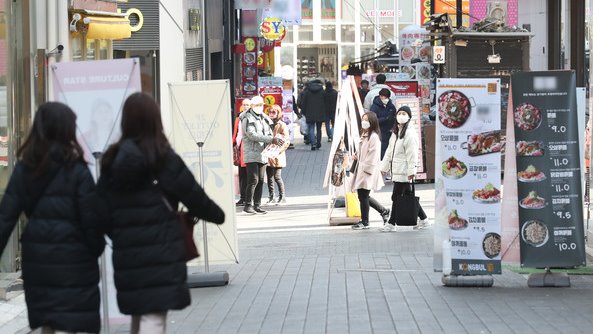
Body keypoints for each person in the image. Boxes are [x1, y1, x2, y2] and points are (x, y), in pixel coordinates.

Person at [97, 93, 225, 333]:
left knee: (140, 316)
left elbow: (100, 210)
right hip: (163, 249)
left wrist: (120, 234)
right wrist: (218, 215)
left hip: (127, 253)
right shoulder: (163, 157)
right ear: (155, 120)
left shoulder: (112, 160)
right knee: (154, 317)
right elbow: (194, 195)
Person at [0, 102, 104, 333]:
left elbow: (5, 218)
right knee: (70, 323)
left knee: (49, 323)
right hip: (75, 260)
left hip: (38, 260)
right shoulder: (78, 170)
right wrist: (94, 248)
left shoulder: (25, 168)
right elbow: (92, 221)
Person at [380, 106, 430, 232]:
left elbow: (412, 154)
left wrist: (412, 171)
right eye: (399, 113)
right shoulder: (396, 132)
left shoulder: (409, 133)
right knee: (407, 196)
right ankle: (424, 219)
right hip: (398, 170)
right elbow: (389, 151)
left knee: (396, 196)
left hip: (404, 171)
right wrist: (384, 167)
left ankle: (391, 223)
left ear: (408, 117)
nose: (401, 115)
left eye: (404, 113)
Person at [350, 112, 390, 230]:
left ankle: (365, 221)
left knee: (363, 196)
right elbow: (363, 151)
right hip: (363, 169)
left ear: (372, 122)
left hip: (367, 170)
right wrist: (357, 155)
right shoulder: (365, 134)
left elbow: (373, 155)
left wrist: (365, 168)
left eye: (366, 120)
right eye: (363, 119)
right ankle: (383, 211)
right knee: (363, 196)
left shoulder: (373, 137)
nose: (364, 122)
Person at [242, 95, 278, 214]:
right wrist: (270, 139)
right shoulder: (247, 117)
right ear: (252, 106)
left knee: (261, 179)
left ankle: (257, 205)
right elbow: (251, 135)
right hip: (251, 152)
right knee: (253, 179)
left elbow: (269, 132)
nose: (259, 107)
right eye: (257, 105)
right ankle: (248, 205)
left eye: (261, 105)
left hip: (263, 153)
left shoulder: (264, 117)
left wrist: (273, 139)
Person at [266, 104, 290, 204]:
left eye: (273, 112)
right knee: (269, 177)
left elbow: (286, 141)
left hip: (277, 155)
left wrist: (278, 151)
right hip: (268, 154)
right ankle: (272, 197)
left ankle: (282, 196)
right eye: (270, 112)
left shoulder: (282, 125)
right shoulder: (266, 123)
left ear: (278, 113)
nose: (271, 114)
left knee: (277, 176)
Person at [298, 79, 326, 150]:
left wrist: (303, 112)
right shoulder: (322, 91)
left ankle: (313, 144)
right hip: (320, 112)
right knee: (319, 129)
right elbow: (325, 102)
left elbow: (304, 103)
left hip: (309, 113)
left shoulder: (307, 92)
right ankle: (318, 143)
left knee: (311, 128)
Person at [370, 88, 397, 159]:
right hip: (379, 132)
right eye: (384, 97)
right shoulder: (374, 107)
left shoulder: (391, 105)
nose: (386, 99)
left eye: (387, 97)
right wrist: (385, 119)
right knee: (380, 151)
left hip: (389, 132)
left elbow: (394, 116)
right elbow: (373, 120)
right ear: (380, 96)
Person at [233, 98, 251, 206]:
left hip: (249, 148)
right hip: (241, 149)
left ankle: (249, 198)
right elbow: (235, 132)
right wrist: (234, 144)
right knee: (242, 174)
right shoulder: (238, 117)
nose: (246, 106)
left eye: (248, 104)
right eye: (244, 104)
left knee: (250, 175)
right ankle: (243, 197)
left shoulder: (254, 116)